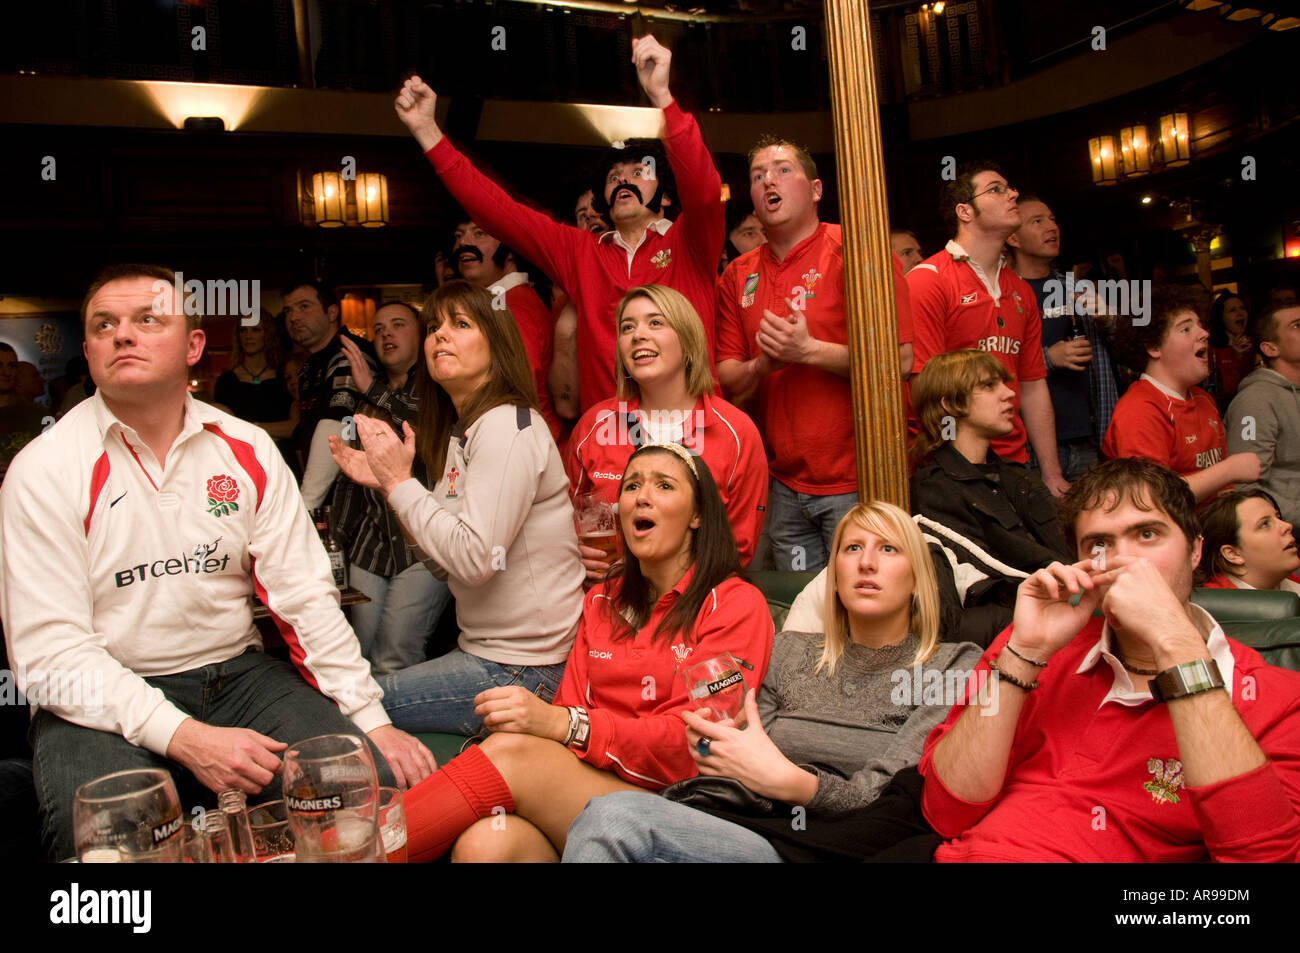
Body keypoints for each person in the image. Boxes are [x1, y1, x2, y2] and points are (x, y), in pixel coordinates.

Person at [0, 264, 434, 860]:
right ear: (89, 350)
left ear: (194, 346)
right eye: (106, 324)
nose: (123, 334)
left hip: (237, 676)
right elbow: (50, 655)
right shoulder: (43, 469)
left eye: (148, 319)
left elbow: (304, 598)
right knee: (110, 845)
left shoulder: (247, 448)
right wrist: (185, 738)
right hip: (98, 695)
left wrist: (369, 716)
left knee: (359, 788)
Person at [396, 441, 775, 861]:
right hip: (591, 788)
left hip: (682, 806)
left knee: (513, 754)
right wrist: (564, 728)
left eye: (664, 485)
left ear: (698, 515)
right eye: (631, 486)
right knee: (487, 843)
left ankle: (355, 849)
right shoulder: (602, 600)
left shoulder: (735, 604)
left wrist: (570, 726)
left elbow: (699, 745)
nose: (642, 496)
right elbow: (571, 710)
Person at [918, 458, 1300, 861]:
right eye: (1099, 545)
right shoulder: (1031, 647)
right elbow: (946, 814)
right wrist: (1024, 654)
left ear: (1194, 550)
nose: (1123, 561)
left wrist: (1175, 643)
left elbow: (1263, 858)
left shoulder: (1279, 698)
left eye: (1147, 534)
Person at [562, 501, 982, 862]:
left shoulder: (953, 665)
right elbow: (742, 753)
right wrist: (712, 746)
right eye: (852, 548)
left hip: (836, 846)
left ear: (917, 580)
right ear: (835, 576)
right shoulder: (791, 650)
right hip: (753, 828)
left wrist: (790, 782)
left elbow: (899, 799)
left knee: (614, 818)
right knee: (599, 815)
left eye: (888, 549)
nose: (866, 562)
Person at [395, 32, 723, 413]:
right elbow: (497, 210)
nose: (623, 180)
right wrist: (426, 131)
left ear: (665, 196)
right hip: (612, 438)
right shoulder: (581, 251)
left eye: (640, 171)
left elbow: (702, 188)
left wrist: (662, 97)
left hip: (695, 427)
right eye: (614, 176)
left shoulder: (690, 242)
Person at [330, 281, 583, 734]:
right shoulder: (465, 432)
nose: (439, 336)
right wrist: (395, 491)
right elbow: (447, 567)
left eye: (460, 324)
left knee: (352, 709)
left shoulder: (509, 425)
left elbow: (476, 560)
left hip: (521, 672)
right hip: (489, 657)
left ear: (497, 343)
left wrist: (400, 483)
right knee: (356, 696)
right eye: (434, 327)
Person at [716, 134, 914, 572]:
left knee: (869, 612)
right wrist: (764, 364)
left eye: (784, 170)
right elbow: (728, 375)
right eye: (758, 175)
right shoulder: (737, 274)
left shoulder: (861, 252)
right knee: (803, 617)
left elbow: (900, 361)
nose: (770, 180)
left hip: (862, 480)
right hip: (783, 485)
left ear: (817, 189)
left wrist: (808, 351)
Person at [567, 285, 768, 572]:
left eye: (656, 322)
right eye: (627, 327)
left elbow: (737, 552)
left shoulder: (736, 432)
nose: (638, 335)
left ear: (687, 340)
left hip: (697, 608)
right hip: (605, 603)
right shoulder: (595, 425)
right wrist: (574, 555)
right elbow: (562, 525)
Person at [907, 161, 1068, 496]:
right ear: (965, 211)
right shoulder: (928, 280)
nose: (1012, 194)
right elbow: (926, 387)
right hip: (952, 466)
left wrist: (1052, 475)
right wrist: (958, 466)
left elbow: (1033, 386)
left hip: (1012, 463)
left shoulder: (1021, 290)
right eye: (996, 189)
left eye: (1009, 188)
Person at [909, 350, 1072, 647]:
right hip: (1017, 629)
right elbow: (983, 581)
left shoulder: (1018, 476)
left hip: (1068, 602)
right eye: (988, 386)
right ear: (950, 404)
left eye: (1004, 384)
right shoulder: (935, 488)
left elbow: (1067, 542)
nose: (1009, 394)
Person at [332, 302, 451, 674]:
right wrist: (335, 542)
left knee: (394, 657)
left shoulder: (438, 388)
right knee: (362, 657)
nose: (386, 333)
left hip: (421, 546)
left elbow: (428, 430)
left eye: (398, 325)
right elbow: (349, 477)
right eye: (379, 328)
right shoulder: (363, 400)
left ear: (421, 336)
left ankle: (395, 733)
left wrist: (373, 387)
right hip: (371, 546)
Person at [1103, 284, 1259, 502]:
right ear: (1153, 346)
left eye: (1200, 326)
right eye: (1186, 329)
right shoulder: (1139, 410)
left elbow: (1224, 490)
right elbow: (1153, 497)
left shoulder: (1203, 399)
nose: (1204, 333)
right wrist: (1230, 469)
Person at [1008, 195, 1118, 481]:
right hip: (1029, 451)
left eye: (1053, 219)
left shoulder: (1076, 288)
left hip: (1090, 441)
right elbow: (993, 365)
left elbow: (1132, 350)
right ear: (1013, 239)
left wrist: (1111, 319)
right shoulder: (1002, 294)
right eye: (1037, 221)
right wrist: (1048, 358)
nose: (1051, 227)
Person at [450, 219, 561, 439]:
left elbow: (516, 389)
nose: (463, 242)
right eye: (458, 235)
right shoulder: (498, 302)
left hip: (521, 442)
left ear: (509, 249)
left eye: (479, 233)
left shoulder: (511, 306)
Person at [284, 279, 380, 510]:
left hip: (353, 501)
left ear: (332, 312)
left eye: (304, 306)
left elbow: (336, 427)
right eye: (288, 310)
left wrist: (306, 507)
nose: (293, 317)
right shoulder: (312, 362)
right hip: (329, 499)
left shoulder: (347, 352)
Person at [1225, 301, 1300, 526]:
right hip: (1288, 535)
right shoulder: (1256, 401)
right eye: (1297, 326)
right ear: (1270, 349)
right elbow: (1246, 488)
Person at [212, 308, 295, 437]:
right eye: (243, 330)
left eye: (256, 330)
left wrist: (248, 428)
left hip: (282, 452)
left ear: (268, 334)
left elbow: (295, 427)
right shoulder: (226, 381)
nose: (248, 336)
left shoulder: (286, 375)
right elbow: (222, 429)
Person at [1198, 489, 1300, 594]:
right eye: (1264, 524)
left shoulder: (1289, 582)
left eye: (1278, 517)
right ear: (1233, 554)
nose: (1287, 526)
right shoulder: (1215, 606)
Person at [0, 343, 46, 484]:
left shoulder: (40, 415)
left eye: (12, 365)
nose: (6, 372)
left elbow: (55, 461)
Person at [1204, 292, 1254, 410]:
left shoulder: (1256, 343)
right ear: (1221, 317)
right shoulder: (1211, 349)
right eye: (1232, 310)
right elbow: (1226, 391)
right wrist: (1236, 358)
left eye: (1242, 308)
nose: (1240, 313)